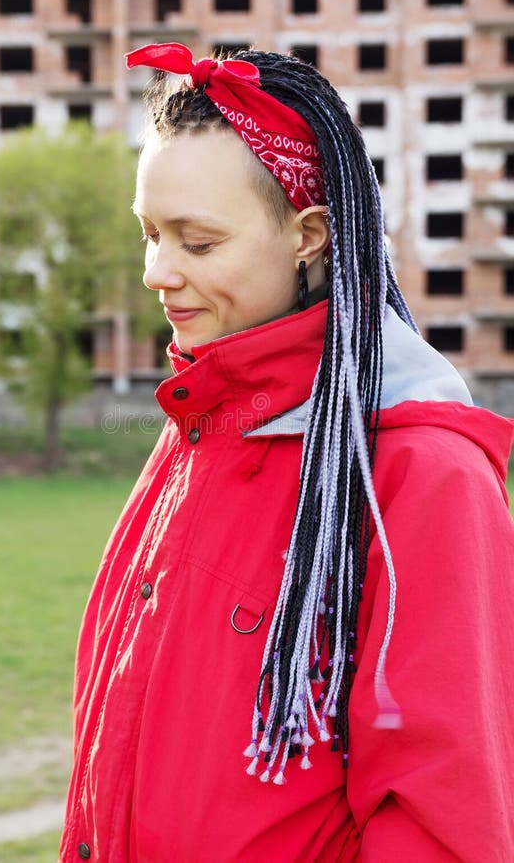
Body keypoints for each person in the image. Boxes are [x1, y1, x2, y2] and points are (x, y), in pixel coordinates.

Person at [60, 43, 514, 862]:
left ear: (308, 236)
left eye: (197, 244)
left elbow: (444, 826)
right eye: (149, 233)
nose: (157, 273)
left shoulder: (422, 477)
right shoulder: (199, 419)